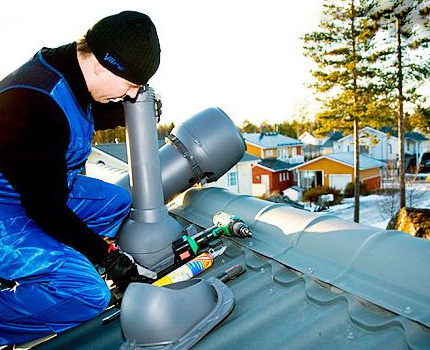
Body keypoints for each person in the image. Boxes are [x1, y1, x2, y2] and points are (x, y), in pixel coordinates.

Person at [0, 11, 161, 345]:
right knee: (87, 293)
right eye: (130, 86)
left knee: (117, 203)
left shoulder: (71, 69)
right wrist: (106, 256)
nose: (131, 95)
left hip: (24, 191)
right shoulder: (32, 104)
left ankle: (58, 257)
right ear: (104, 65)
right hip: (11, 212)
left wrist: (127, 111)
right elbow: (46, 209)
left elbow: (78, 111)